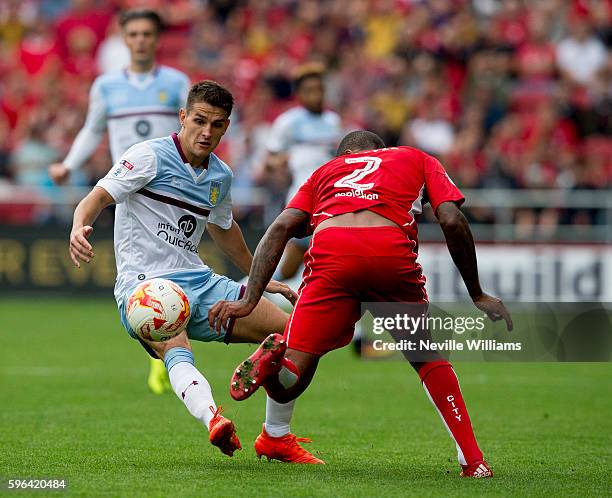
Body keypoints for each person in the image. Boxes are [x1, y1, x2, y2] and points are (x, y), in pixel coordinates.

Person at [209, 130, 513, 477]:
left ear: (346, 154)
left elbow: (280, 228)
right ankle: (473, 461)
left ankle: (275, 374)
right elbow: (452, 219)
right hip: (387, 251)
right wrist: (476, 292)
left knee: (294, 365)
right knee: (427, 359)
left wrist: (251, 298)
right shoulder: (414, 157)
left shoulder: (326, 171)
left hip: (330, 253)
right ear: (379, 151)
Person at [68, 80, 321, 462]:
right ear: (183, 117)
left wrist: (262, 282)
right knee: (175, 344)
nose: (206, 132)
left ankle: (275, 436)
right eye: (199, 121)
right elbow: (98, 196)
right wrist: (78, 225)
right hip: (145, 285)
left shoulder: (220, 177)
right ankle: (213, 418)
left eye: (217, 124)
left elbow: (227, 235)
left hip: (199, 281)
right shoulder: (149, 156)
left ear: (226, 127)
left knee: (292, 334)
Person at [49, 9, 192, 395]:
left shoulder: (177, 82)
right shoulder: (107, 86)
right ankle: (165, 349)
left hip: (175, 192)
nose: (141, 40)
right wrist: (68, 164)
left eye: (148, 34)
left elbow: (195, 130)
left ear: (157, 39)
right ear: (124, 39)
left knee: (176, 270)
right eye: (134, 34)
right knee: (139, 277)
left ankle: (169, 349)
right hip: (128, 192)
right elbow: (91, 130)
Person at [263, 63, 342, 282]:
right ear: (299, 94)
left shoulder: (332, 121)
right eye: (309, 91)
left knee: (328, 254)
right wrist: (284, 160)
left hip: (332, 197)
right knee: (292, 266)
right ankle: (256, 286)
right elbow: (269, 161)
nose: (316, 96)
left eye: (319, 90)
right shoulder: (288, 122)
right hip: (303, 196)